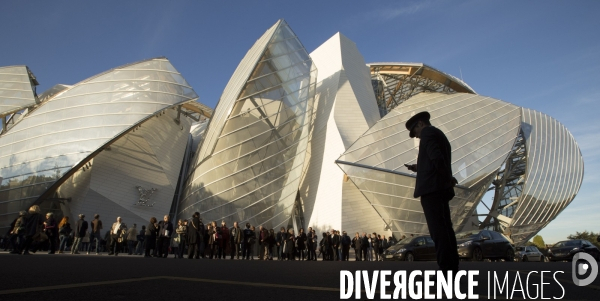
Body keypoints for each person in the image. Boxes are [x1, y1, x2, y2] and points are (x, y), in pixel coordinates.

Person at [405, 111, 459, 273]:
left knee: (438, 232)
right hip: (440, 189)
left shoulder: (428, 133)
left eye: (415, 131)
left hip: (432, 190)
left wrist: (447, 178)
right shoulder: (439, 134)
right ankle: (451, 268)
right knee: (446, 230)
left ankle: (445, 270)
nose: (415, 136)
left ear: (421, 124)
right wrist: (418, 168)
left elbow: (436, 159)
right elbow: (435, 159)